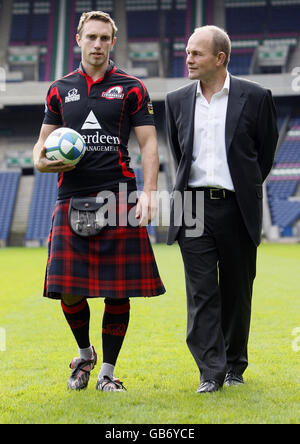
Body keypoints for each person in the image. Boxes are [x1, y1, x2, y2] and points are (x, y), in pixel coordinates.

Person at [33, 10, 165, 392]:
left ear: (113, 42)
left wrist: (151, 193)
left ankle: (107, 372)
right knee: (68, 288)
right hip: (71, 195)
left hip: (119, 194)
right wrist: (42, 162)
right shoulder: (59, 89)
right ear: (78, 39)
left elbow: (149, 144)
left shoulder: (132, 87)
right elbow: (41, 147)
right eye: (91, 37)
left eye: (105, 38)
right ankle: (84, 353)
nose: (98, 44)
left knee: (117, 289)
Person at [165, 25, 278, 393]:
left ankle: (234, 366)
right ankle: (210, 373)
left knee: (236, 290)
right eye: (187, 52)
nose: (188, 58)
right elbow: (179, 154)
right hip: (191, 206)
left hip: (236, 207)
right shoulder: (176, 100)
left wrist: (240, 189)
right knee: (201, 294)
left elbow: (264, 155)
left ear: (220, 58)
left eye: (196, 53)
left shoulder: (257, 97)